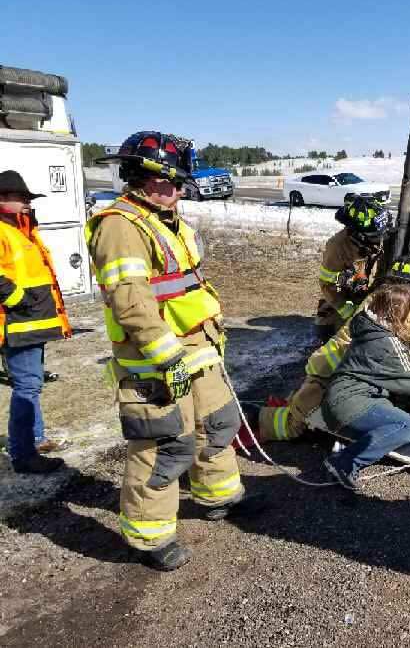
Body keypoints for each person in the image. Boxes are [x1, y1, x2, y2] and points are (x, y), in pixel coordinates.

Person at [88, 132, 264, 572]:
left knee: (217, 423)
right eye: (172, 182)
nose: (181, 190)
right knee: (165, 443)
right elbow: (131, 300)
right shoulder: (120, 225)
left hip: (198, 347)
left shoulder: (168, 217)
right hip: (157, 358)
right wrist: (168, 357)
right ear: (143, 178)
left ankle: (218, 495)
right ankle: (149, 535)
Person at [252, 254, 410, 443]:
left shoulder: (381, 299)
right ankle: (245, 421)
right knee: (293, 426)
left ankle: (259, 415)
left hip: (330, 368)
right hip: (328, 376)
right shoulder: (397, 309)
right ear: (402, 286)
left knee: (299, 411)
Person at [321, 283, 410, 489]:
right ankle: (344, 463)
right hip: (348, 405)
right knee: (408, 427)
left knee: (399, 422)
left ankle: (347, 444)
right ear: (399, 312)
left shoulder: (368, 328)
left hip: (335, 402)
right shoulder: (386, 344)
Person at [0, 170, 71, 473]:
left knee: (32, 383)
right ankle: (23, 454)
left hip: (31, 323)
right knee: (27, 386)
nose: (28, 203)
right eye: (22, 198)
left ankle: (36, 438)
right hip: (17, 324)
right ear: (2, 199)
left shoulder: (21, 230)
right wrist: (19, 301)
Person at [315, 195, 391, 336]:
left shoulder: (382, 236)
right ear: (356, 232)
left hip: (370, 300)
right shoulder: (338, 247)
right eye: (373, 236)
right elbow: (328, 285)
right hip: (344, 302)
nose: (378, 240)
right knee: (340, 337)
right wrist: (351, 312)